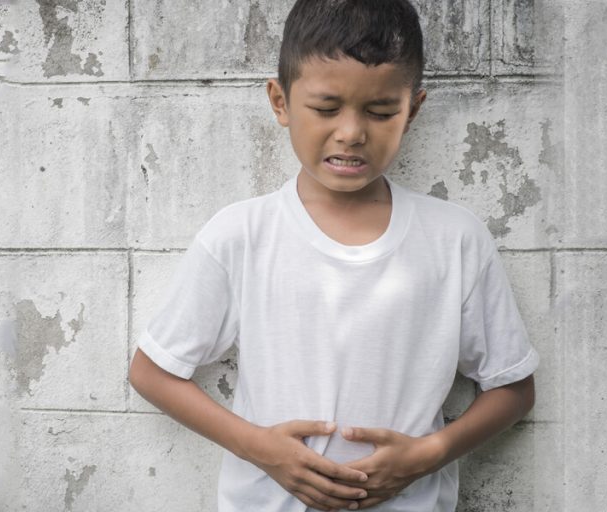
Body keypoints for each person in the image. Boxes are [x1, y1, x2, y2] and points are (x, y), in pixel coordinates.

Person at [127, 0, 539, 510]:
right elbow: (152, 372)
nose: (351, 132)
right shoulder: (241, 234)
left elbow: (513, 390)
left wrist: (428, 454)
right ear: (279, 102)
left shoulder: (454, 238)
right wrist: (262, 450)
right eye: (326, 108)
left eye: (381, 111)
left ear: (413, 109)